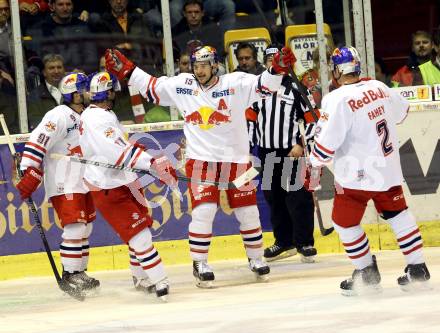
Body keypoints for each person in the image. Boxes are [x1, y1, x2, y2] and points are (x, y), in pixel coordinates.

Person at [104, 44, 296, 287]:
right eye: (196, 65)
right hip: (201, 161)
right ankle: (200, 263)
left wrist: (276, 69)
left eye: (204, 65)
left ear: (215, 64)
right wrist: (129, 70)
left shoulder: (235, 82)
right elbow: (152, 87)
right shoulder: (183, 84)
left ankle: (256, 259)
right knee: (203, 212)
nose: (200, 70)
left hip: (236, 159)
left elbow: (264, 85)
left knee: (248, 212)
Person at [309, 46, 431, 295]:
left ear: (335, 70)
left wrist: (314, 162)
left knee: (344, 222)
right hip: (387, 170)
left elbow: (324, 147)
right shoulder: (379, 86)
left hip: (356, 177)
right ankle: (418, 267)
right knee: (399, 215)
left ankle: (366, 272)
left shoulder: (336, 98)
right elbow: (402, 112)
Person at [78, 71, 177, 299]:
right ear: (108, 91)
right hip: (108, 186)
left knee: (141, 231)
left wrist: (150, 164)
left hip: (123, 180)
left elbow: (120, 148)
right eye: (113, 88)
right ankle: (159, 280)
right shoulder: (96, 118)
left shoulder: (103, 114)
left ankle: (141, 278)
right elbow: (115, 151)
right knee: (139, 235)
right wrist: (152, 162)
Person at [16, 72, 100, 293]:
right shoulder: (59, 115)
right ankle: (70, 274)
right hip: (64, 180)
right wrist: (28, 169)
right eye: (84, 89)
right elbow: (38, 140)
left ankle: (80, 272)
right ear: (74, 94)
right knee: (75, 226)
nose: (88, 93)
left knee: (86, 227)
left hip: (84, 179)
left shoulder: (89, 115)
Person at [247, 44, 317, 263]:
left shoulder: (298, 88)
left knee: (297, 198)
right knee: (273, 198)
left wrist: (301, 144)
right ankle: (283, 241)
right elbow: (249, 119)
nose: (272, 64)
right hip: (267, 152)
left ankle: (304, 242)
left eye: (276, 60)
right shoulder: (257, 89)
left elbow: (312, 120)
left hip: (291, 152)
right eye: (269, 60)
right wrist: (248, 150)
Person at [28, 53, 66, 130]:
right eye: (51, 68)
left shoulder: (74, 91)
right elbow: (35, 122)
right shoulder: (35, 96)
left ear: (64, 70)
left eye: (59, 67)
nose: (56, 71)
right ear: (44, 72)